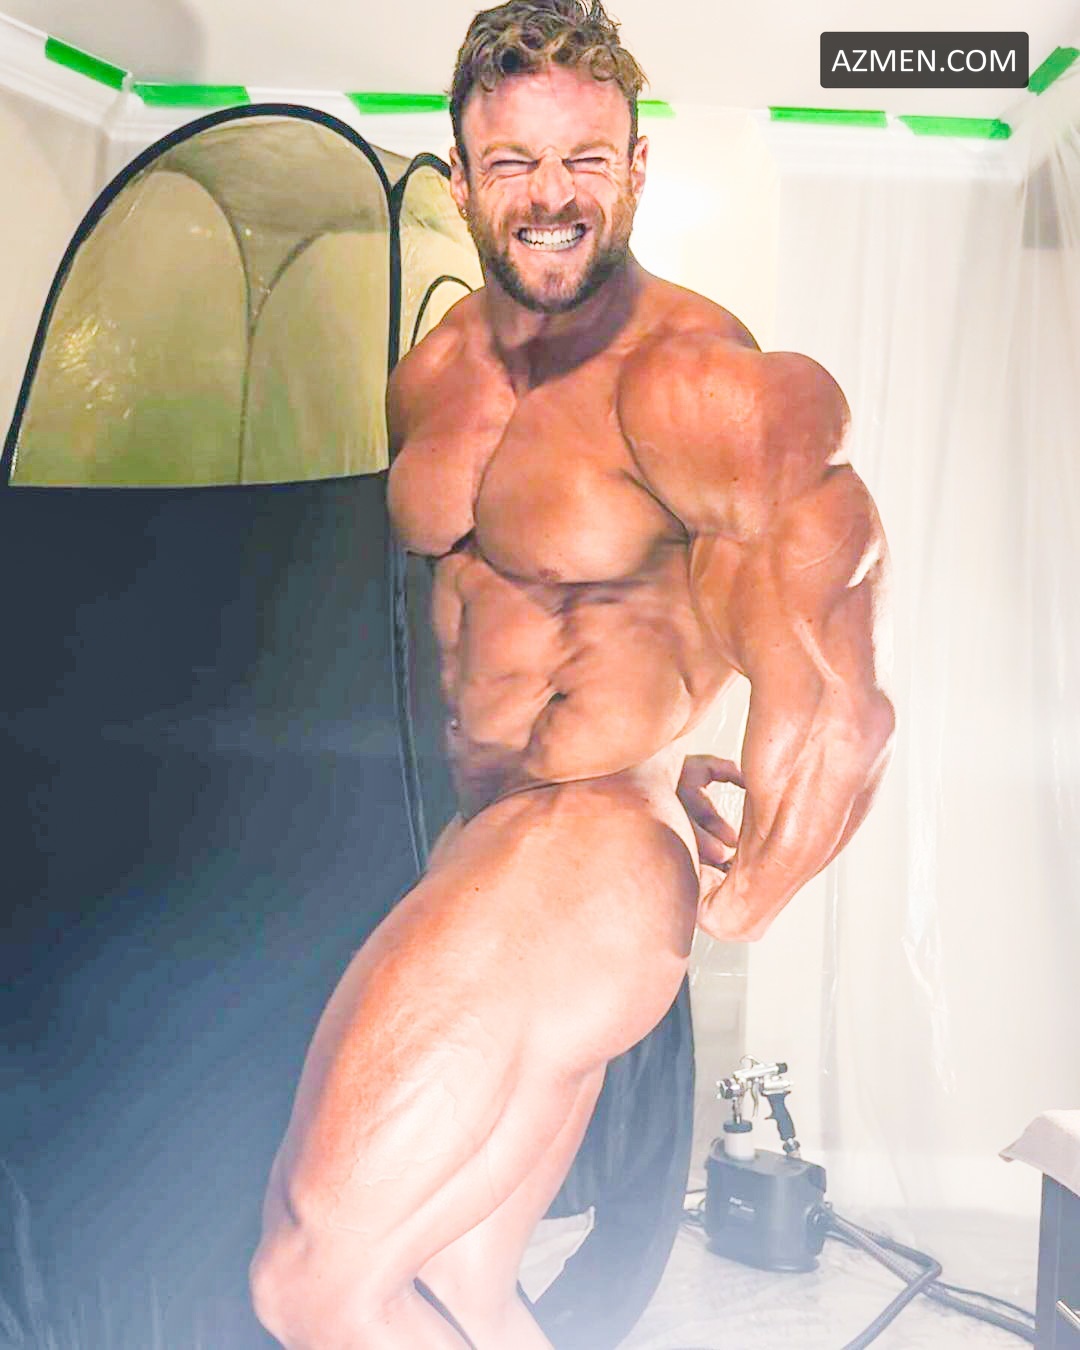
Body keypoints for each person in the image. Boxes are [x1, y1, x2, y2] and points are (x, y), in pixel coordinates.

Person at [249, 1, 894, 1344]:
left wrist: (756, 879)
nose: (551, 197)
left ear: (637, 166)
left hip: (585, 844)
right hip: (483, 848)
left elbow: (830, 640)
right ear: (461, 174)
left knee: (312, 1273)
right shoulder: (429, 376)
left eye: (586, 159)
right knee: (453, 1290)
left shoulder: (693, 378)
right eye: (514, 163)